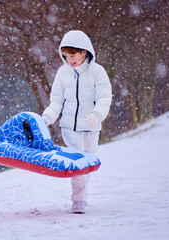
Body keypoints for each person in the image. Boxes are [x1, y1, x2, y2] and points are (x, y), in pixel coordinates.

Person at [42, 30, 112, 214]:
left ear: (84, 52)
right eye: (65, 55)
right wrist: (47, 118)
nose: (68, 59)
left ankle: (83, 196)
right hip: (69, 128)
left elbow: (104, 97)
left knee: (87, 165)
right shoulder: (63, 73)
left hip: (91, 126)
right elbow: (56, 100)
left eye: (72, 55)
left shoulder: (98, 72)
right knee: (78, 162)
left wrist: (97, 114)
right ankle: (78, 201)